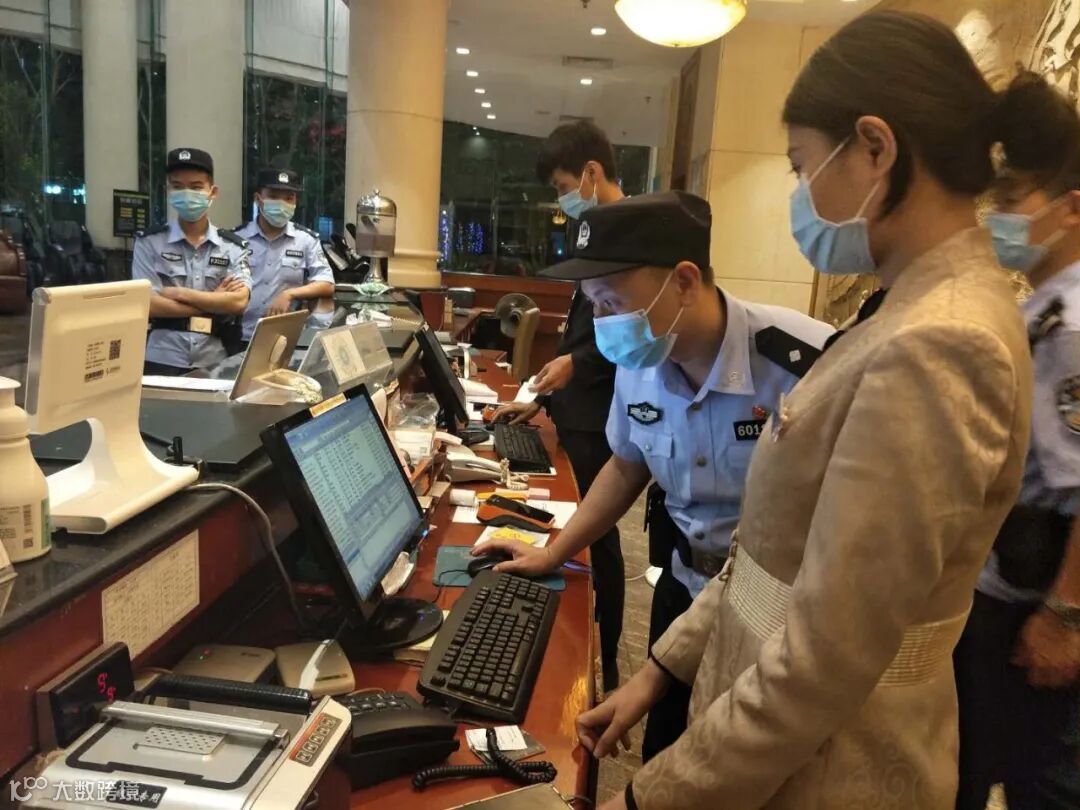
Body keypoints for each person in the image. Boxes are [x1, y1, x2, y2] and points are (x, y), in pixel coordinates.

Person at [574, 12, 1035, 810]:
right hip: (768, 724)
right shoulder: (905, 309)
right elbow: (769, 560)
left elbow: (825, 656)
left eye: (801, 165)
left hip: (830, 766)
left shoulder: (941, 340)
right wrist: (660, 672)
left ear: (875, 148)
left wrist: (650, 798)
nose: (800, 195)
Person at [477, 190, 834, 761]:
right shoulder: (639, 363)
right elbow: (626, 466)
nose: (603, 324)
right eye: (594, 305)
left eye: (612, 301)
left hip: (780, 610)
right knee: (665, 751)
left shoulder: (803, 360)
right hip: (684, 586)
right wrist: (553, 552)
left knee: (752, 765)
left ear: (684, 282)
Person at [954, 71, 1080, 810]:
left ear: (1071, 207)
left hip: (1036, 595)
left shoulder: (1071, 326)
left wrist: (1064, 617)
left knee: (1041, 785)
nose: (996, 217)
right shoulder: (1044, 308)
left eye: (1011, 199)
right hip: (1007, 582)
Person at [494, 121, 628, 693]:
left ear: (592, 173)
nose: (561, 198)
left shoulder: (630, 233)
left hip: (604, 415)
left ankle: (605, 659)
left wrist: (575, 365)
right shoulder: (594, 230)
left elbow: (630, 334)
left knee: (600, 537)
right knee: (584, 527)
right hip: (576, 411)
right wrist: (544, 394)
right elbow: (583, 330)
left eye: (562, 185)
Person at [133, 148, 252, 375]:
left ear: (212, 192)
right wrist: (215, 302)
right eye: (178, 186)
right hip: (162, 356)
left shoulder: (233, 247)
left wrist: (180, 293)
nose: (187, 194)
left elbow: (238, 302)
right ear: (168, 191)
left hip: (214, 356)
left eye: (196, 187)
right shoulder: (149, 242)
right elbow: (147, 304)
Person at [236, 167, 335, 346]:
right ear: (258, 199)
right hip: (239, 336)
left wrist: (289, 294)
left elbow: (326, 284)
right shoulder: (236, 239)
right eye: (273, 196)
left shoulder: (306, 240)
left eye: (289, 198)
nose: (281, 204)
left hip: (284, 338)